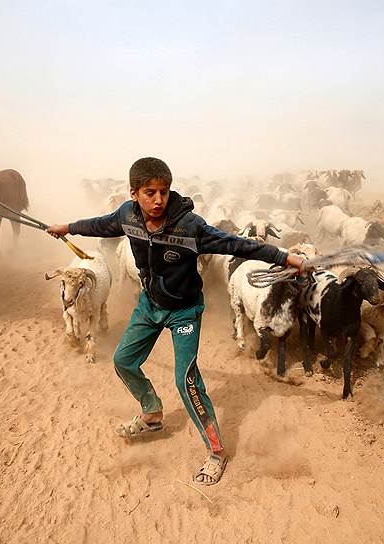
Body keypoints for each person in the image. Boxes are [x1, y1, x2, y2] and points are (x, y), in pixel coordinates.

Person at [47, 157, 305, 485]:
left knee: (187, 381)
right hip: (150, 305)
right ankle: (152, 413)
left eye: (164, 192)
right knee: (123, 361)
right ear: (134, 193)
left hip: (184, 311)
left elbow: (238, 244)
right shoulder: (127, 216)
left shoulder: (190, 226)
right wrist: (66, 228)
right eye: (149, 193)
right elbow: (100, 224)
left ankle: (216, 452)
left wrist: (286, 257)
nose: (158, 200)